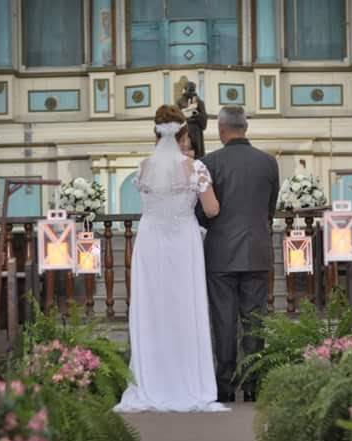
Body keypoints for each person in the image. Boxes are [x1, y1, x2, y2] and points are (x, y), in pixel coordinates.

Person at [114, 105, 226, 412]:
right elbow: (213, 208)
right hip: (183, 243)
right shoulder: (196, 168)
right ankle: (189, 382)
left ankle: (153, 381)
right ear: (184, 134)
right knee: (184, 307)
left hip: (150, 242)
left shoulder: (143, 167)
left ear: (156, 133)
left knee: (153, 310)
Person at [198, 105, 280, 402]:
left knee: (224, 320)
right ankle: (254, 385)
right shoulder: (268, 163)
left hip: (221, 254)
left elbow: (202, 213)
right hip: (257, 250)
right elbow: (270, 209)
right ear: (245, 127)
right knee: (255, 321)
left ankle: (225, 388)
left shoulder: (210, 162)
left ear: (221, 130)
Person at [177, 81, 207, 160]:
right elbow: (177, 118)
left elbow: (204, 119)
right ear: (185, 89)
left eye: (192, 90)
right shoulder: (179, 102)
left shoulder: (200, 102)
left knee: (197, 155)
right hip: (184, 132)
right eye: (189, 90)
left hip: (196, 132)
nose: (191, 92)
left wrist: (195, 115)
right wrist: (187, 113)